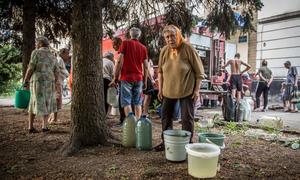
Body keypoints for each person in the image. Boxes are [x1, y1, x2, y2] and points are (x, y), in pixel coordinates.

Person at [154, 25, 205, 151]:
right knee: (166, 116)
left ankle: (187, 143)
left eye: (172, 36)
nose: (170, 39)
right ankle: (166, 142)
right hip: (167, 91)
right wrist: (160, 89)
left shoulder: (188, 48)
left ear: (178, 35)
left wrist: (197, 90)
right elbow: (160, 71)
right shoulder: (164, 51)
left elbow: (199, 73)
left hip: (186, 90)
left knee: (187, 118)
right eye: (167, 37)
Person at [109, 27, 148, 119]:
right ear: (139, 36)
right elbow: (145, 66)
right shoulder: (143, 48)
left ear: (130, 34)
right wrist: (145, 81)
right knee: (138, 102)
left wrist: (115, 77)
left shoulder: (125, 43)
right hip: (139, 78)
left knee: (126, 102)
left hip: (126, 78)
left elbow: (119, 61)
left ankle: (131, 124)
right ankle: (138, 123)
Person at [23, 36, 60, 133]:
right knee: (47, 102)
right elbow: (56, 71)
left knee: (33, 102)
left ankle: (30, 127)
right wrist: (56, 82)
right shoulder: (53, 55)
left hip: (38, 82)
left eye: (37, 43)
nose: (36, 45)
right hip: (49, 82)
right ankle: (45, 126)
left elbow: (31, 67)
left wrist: (26, 80)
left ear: (40, 44)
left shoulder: (36, 52)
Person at [48, 48, 70, 123]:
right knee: (56, 100)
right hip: (57, 82)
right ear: (62, 53)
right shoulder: (59, 60)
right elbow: (55, 71)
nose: (68, 55)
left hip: (58, 81)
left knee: (56, 99)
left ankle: (52, 118)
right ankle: (54, 119)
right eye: (67, 53)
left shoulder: (59, 59)